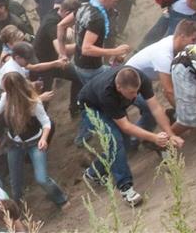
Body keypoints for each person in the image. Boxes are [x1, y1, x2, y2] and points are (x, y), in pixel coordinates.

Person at [78, 65, 182, 206]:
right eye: (132, 93)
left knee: (125, 144)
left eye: (137, 91)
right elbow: (125, 126)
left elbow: (156, 108)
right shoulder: (107, 93)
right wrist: (154, 138)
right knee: (114, 141)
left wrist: (171, 134)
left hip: (111, 101)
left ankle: (94, 172)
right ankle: (126, 188)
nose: (135, 95)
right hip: (91, 107)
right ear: (119, 87)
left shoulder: (140, 79)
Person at [0, 71, 68, 207]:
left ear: (13, 90)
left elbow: (46, 123)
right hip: (14, 144)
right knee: (15, 181)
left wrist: (44, 139)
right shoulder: (5, 98)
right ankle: (17, 205)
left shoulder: (33, 103)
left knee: (41, 178)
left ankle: (61, 199)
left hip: (34, 143)